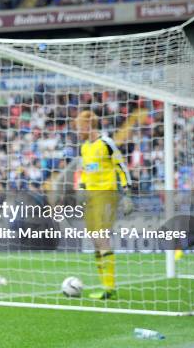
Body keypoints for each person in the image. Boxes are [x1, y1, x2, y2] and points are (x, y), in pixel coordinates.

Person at [76, 111, 131, 300]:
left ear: (88, 126)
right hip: (90, 197)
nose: (78, 131)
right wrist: (82, 187)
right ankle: (105, 286)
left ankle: (110, 287)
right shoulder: (84, 147)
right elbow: (86, 171)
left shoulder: (106, 143)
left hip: (107, 195)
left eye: (79, 127)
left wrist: (127, 193)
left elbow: (121, 166)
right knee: (94, 239)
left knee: (101, 237)